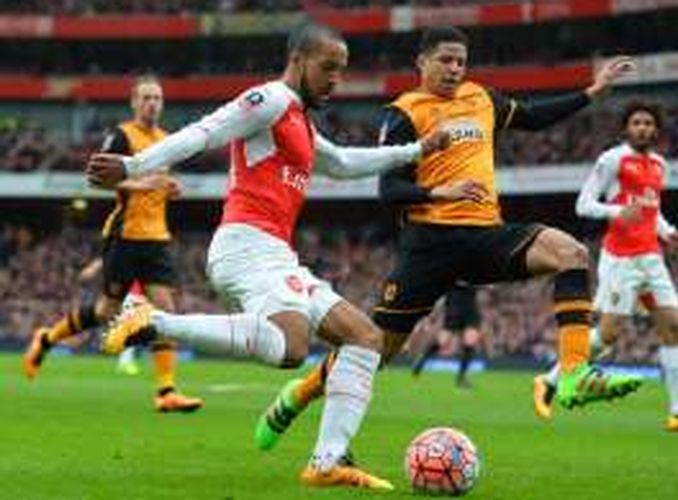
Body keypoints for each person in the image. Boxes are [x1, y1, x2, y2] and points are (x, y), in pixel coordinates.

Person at [86, 23, 450, 490]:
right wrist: (135, 166)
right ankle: (155, 321)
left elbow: (340, 163)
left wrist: (416, 149)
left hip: (274, 252)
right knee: (293, 346)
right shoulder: (270, 100)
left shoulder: (298, 117)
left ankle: (326, 462)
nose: (336, 80)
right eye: (328, 68)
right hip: (245, 244)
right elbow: (207, 130)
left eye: (342, 70)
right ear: (298, 60)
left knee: (364, 338)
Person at [255, 25, 643, 452]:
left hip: (485, 236)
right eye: (445, 60)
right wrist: (438, 192)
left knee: (570, 252)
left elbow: (534, 116)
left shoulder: (483, 98)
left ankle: (572, 375)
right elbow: (389, 190)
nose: (455, 68)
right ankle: (298, 394)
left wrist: (593, 91)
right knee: (374, 353)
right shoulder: (405, 111)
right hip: (429, 247)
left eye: (461, 61)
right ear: (421, 62)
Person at [532, 102, 678, 434]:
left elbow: (652, 209)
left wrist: (667, 231)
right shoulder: (612, 159)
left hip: (652, 258)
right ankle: (548, 379)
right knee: (607, 336)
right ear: (625, 128)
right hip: (621, 260)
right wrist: (617, 213)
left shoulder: (659, 164)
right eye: (637, 122)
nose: (643, 128)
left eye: (648, 123)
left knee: (674, 328)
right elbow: (583, 204)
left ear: (656, 130)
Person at [22, 77, 203, 413]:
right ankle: (46, 338)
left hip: (157, 238)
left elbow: (157, 185)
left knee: (166, 312)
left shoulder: (166, 141)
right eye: (146, 97)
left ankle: (166, 392)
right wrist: (140, 185)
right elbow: (95, 179)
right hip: (124, 235)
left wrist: (169, 187)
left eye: (158, 98)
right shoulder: (121, 136)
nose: (152, 103)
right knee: (106, 311)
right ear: (134, 102)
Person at [412, 284, 482, 388]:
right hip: (454, 305)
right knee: (443, 340)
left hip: (471, 307)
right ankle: (422, 360)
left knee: (470, 341)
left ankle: (461, 377)